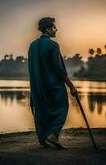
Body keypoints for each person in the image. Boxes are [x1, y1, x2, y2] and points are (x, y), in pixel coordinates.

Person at [28, 17, 77, 149]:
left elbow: (31, 69)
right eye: (54, 27)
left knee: (41, 110)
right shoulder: (53, 45)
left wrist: (33, 88)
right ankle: (54, 135)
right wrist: (71, 86)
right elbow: (59, 69)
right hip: (53, 86)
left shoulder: (32, 45)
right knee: (62, 107)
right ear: (48, 29)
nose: (56, 30)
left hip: (38, 86)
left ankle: (42, 139)